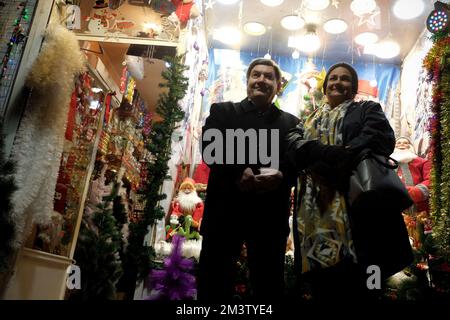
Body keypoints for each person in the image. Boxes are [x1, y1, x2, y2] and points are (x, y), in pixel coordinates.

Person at [286, 62, 413, 301]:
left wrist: (340, 157)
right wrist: (323, 156)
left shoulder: (367, 109)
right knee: (324, 288)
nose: (337, 82)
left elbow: (379, 138)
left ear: (353, 88)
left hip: (362, 211)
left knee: (369, 285)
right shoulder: (305, 122)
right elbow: (295, 151)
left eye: (345, 79)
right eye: (333, 78)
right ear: (325, 88)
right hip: (316, 217)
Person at [197, 58, 299, 301]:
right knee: (213, 283)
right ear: (248, 81)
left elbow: (299, 163)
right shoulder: (223, 112)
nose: (261, 79)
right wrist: (237, 169)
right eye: (256, 74)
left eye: (268, 76)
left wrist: (282, 174)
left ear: (277, 85)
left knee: (268, 286)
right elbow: (210, 149)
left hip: (269, 220)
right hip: (224, 215)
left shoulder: (291, 123)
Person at [391, 136, 432, 248]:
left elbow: (430, 180)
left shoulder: (422, 162)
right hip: (393, 211)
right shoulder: (386, 163)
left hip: (419, 212)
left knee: (421, 242)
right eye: (398, 143)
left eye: (406, 143)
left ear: (411, 147)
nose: (402, 145)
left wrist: (414, 192)